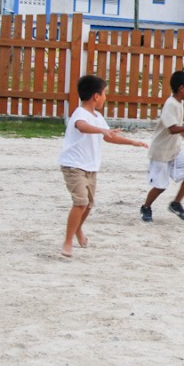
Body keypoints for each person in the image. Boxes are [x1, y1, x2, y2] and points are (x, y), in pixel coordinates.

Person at [58, 75, 148, 258]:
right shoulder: (80, 113)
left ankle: (78, 229)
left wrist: (132, 142)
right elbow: (82, 127)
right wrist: (101, 130)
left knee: (89, 205)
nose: (106, 97)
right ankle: (68, 242)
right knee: (80, 202)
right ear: (96, 96)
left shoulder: (97, 116)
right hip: (73, 166)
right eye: (105, 93)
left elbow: (109, 137)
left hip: (91, 167)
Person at [141, 70, 184, 222]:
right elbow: (172, 129)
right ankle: (146, 207)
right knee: (160, 186)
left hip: (174, 149)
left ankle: (176, 203)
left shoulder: (179, 102)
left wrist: (183, 132)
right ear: (182, 88)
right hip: (161, 151)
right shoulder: (170, 104)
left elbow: (175, 127)